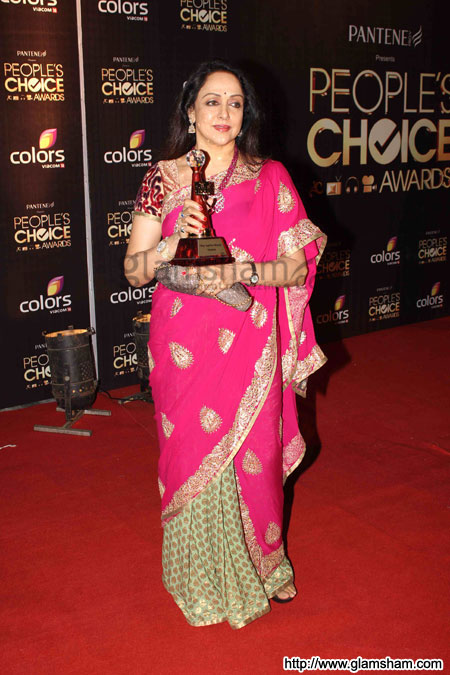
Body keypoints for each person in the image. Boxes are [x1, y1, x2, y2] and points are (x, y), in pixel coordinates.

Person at [124, 60, 327, 629]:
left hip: (250, 336)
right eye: (211, 101)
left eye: (235, 103)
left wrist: (239, 272)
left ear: (245, 115)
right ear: (190, 112)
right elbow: (134, 270)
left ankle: (267, 565)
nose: (223, 113)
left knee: (257, 454)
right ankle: (198, 575)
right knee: (191, 450)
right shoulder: (163, 178)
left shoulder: (270, 177)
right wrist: (172, 242)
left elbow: (295, 268)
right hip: (183, 341)